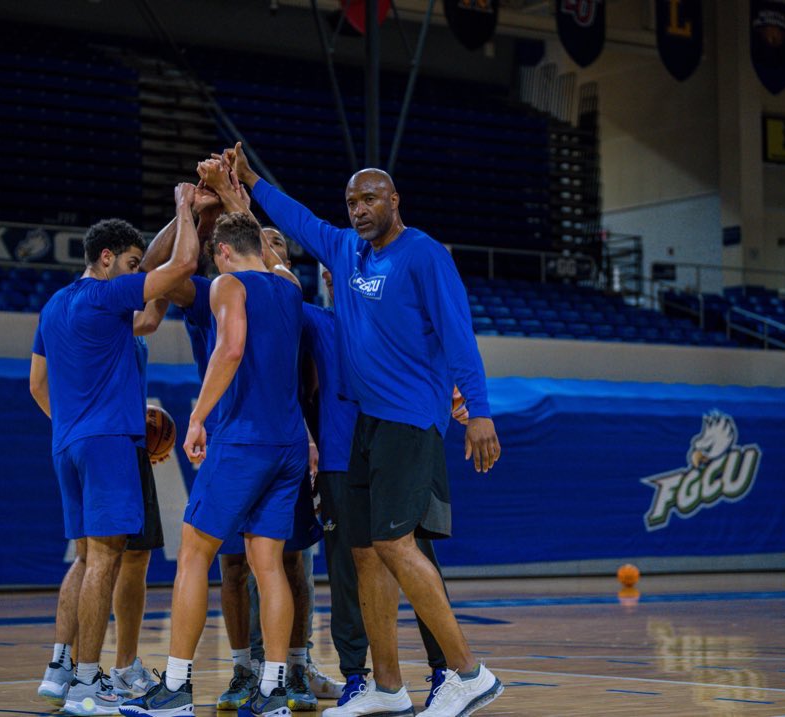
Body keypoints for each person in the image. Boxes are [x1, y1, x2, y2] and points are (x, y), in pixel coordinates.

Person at [227, 143, 504, 717]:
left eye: (370, 197)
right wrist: (252, 180)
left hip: (410, 420)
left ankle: (468, 674)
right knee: (365, 554)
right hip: (367, 427)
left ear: (394, 200)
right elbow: (299, 220)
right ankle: (386, 685)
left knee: (396, 545)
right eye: (351, 200)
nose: (359, 208)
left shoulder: (424, 255)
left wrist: (478, 410)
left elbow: (458, 334)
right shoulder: (347, 252)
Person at [121, 211, 308, 717]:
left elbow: (230, 348)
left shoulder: (227, 285)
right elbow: (270, 266)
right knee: (268, 566)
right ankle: (274, 692)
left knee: (194, 553)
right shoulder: (290, 286)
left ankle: (177, 686)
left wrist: (198, 416)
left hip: (243, 438)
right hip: (289, 443)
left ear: (222, 253)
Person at [29, 184, 200, 716]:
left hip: (69, 444)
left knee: (85, 559)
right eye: (128, 264)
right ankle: (86, 683)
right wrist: (184, 211)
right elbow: (180, 267)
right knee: (106, 558)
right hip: (107, 443)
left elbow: (37, 385)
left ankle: (60, 671)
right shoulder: (106, 296)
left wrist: (75, 425)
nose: (134, 273)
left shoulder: (56, 306)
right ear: (106, 261)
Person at [302, 270, 470, 708]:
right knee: (349, 569)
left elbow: (445, 353)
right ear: (326, 278)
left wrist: (462, 394)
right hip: (343, 461)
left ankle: (447, 671)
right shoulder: (321, 322)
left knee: (416, 559)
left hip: (401, 452)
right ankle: (360, 676)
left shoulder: (398, 325)